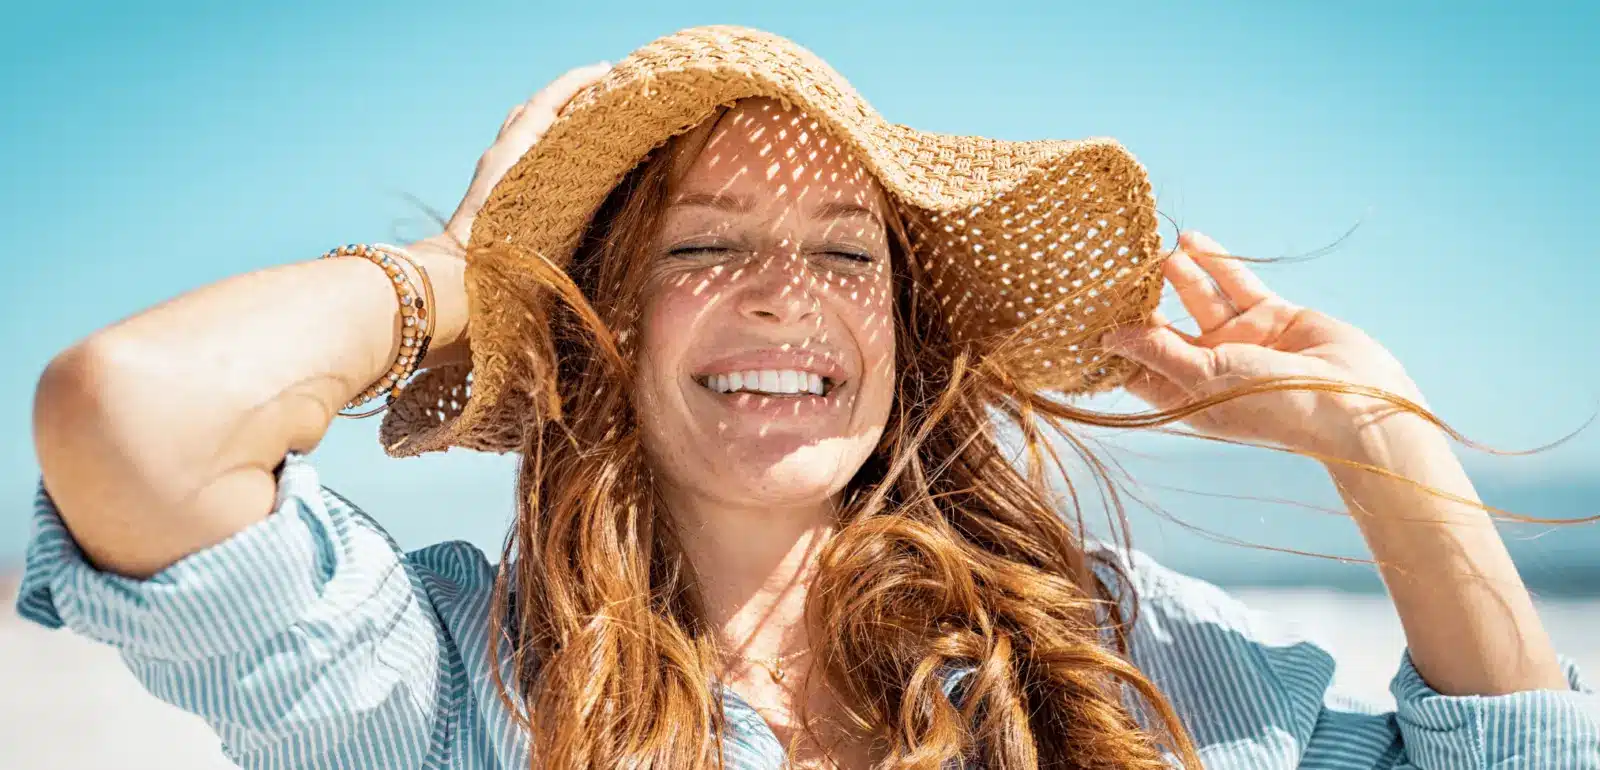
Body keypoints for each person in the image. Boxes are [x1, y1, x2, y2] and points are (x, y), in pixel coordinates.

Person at [16, 25, 1597, 770]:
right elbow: (132, 416)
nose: (787, 295)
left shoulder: (1102, 646)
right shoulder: (444, 684)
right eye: (707, 248)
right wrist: (458, 270)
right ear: (606, 331)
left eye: (850, 255)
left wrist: (1382, 446)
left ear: (904, 336)